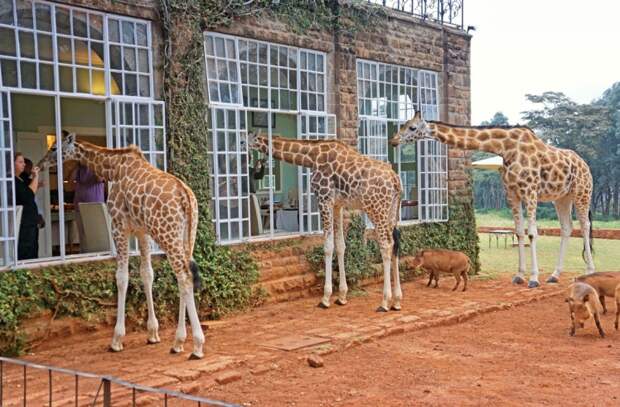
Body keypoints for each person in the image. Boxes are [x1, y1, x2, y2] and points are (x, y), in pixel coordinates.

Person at [71, 164, 105, 252]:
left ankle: (96, 254)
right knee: (82, 233)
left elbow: (100, 179)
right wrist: (76, 166)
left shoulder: (98, 165)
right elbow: (70, 179)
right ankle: (84, 253)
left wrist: (93, 164)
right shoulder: (80, 168)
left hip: (94, 206)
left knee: (94, 232)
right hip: (79, 205)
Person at [14, 152, 40, 260]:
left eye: (24, 162)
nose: (24, 164)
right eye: (20, 162)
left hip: (30, 222)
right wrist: (36, 176)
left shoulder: (21, 178)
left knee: (33, 249)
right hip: (24, 224)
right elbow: (29, 195)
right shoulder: (13, 181)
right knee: (26, 251)